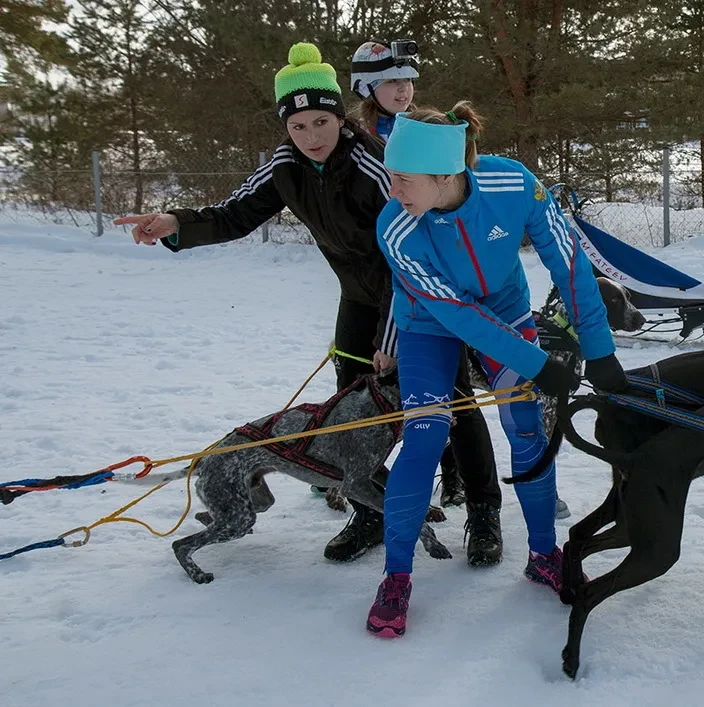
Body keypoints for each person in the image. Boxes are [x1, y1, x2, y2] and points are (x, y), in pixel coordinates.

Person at [113, 43, 502, 566]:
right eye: (298, 127)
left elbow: (409, 255)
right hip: (358, 298)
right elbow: (234, 213)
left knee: (451, 403)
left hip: (421, 295)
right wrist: (176, 224)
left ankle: (483, 513)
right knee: (351, 410)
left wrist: (392, 339)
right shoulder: (286, 166)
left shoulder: (374, 166)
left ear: (340, 117)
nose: (311, 136)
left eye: (322, 121)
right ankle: (369, 513)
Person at [365, 102, 629, 638]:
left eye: (404, 179)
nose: (394, 190)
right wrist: (539, 363)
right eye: (392, 177)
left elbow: (570, 261)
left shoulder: (513, 184)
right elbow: (456, 313)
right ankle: (396, 576)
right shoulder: (396, 224)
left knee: (527, 425)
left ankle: (543, 553)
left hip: (506, 310)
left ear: (447, 175)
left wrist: (599, 350)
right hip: (428, 325)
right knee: (423, 436)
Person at [348, 37, 509, 559]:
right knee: (365, 391)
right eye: (393, 81)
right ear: (369, 88)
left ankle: (480, 502)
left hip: (426, 293)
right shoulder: (356, 142)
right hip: (371, 288)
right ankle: (366, 497)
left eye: (409, 80)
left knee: (454, 399)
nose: (405, 89)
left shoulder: (423, 130)